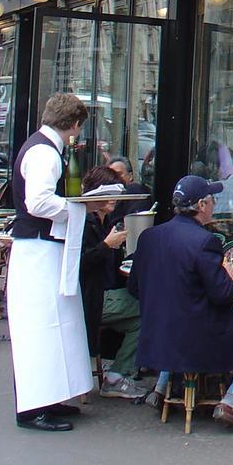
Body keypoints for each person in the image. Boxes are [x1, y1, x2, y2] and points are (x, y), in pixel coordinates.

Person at [129, 175, 233, 431]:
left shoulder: (149, 237)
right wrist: (229, 277)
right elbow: (223, 296)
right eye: (211, 199)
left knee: (182, 319)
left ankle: (162, 387)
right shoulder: (204, 242)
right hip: (200, 338)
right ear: (201, 205)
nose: (214, 203)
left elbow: (134, 288)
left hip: (159, 334)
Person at [7, 92, 93, 432]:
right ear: (73, 124)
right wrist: (77, 209)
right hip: (39, 249)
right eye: (79, 127)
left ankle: (50, 396)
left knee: (54, 323)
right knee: (42, 327)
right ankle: (33, 408)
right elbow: (39, 202)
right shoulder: (46, 153)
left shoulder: (40, 146)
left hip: (39, 246)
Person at [78, 165, 148, 401]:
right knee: (150, 309)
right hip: (92, 298)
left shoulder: (103, 221)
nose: (116, 200)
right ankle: (118, 376)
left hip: (101, 294)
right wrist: (107, 245)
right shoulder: (85, 222)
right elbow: (79, 264)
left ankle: (117, 374)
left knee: (142, 316)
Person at [107, 154, 151, 223]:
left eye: (119, 174)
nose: (114, 178)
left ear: (130, 176)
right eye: (111, 175)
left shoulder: (135, 190)